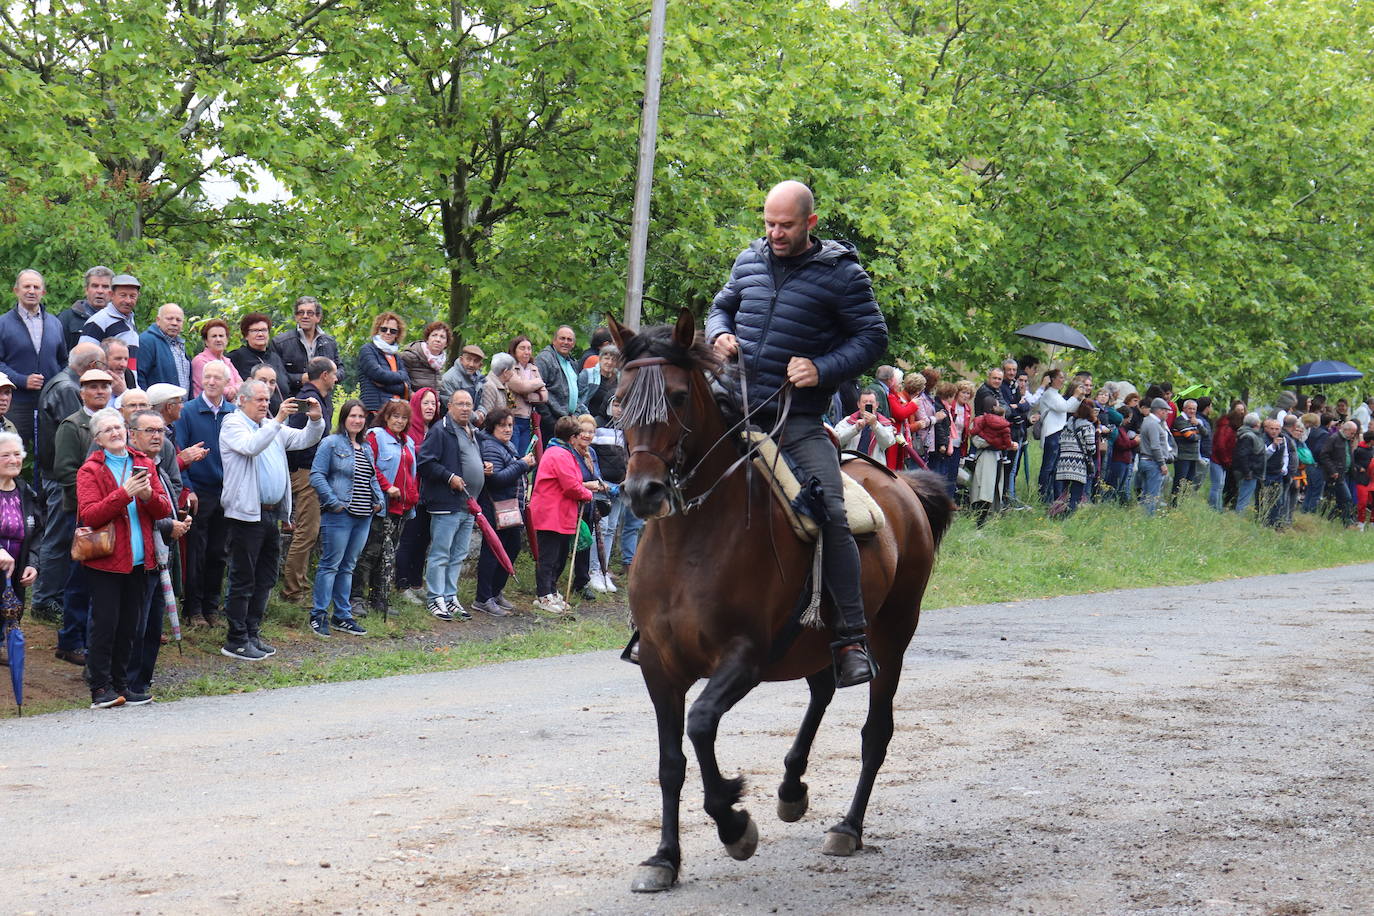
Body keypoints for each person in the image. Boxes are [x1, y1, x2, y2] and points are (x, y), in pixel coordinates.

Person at [706, 180, 887, 687]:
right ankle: (655, 617)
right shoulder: (748, 260)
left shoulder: (843, 275)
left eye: (785, 225)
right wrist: (719, 333)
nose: (774, 233)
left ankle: (850, 637)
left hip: (797, 421)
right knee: (674, 479)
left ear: (810, 223)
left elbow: (873, 337)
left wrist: (823, 368)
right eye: (768, 223)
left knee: (830, 511)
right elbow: (720, 306)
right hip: (732, 409)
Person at [219, 379, 325, 659]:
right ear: (242, 400)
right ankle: (235, 638)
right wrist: (277, 419)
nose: (265, 405)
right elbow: (251, 447)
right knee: (243, 578)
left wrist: (315, 421)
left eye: (268, 400)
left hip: (271, 514)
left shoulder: (270, 426)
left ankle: (253, 633)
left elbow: (304, 439)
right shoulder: (232, 424)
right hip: (245, 515)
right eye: (260, 400)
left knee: (265, 577)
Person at [76, 407, 172, 708]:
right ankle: (100, 688)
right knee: (106, 625)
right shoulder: (89, 470)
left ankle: (122, 685)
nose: (115, 433)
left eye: (118, 427)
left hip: (141, 559)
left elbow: (163, 509)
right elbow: (90, 515)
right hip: (105, 560)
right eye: (108, 431)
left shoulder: (142, 462)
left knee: (131, 625)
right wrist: (125, 493)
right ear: (98, 439)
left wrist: (146, 496)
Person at [30, 342, 105, 622]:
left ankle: (53, 595)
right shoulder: (68, 389)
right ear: (93, 367)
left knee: (61, 537)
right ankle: (45, 599)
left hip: (59, 475)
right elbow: (78, 435)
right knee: (59, 538)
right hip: (63, 479)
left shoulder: (62, 381)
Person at [125, 408, 191, 703]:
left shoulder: (160, 466)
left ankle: (143, 680)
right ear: (132, 434)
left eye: (160, 431)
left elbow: (167, 500)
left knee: (153, 623)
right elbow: (137, 514)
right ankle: (126, 682)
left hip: (161, 553)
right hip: (137, 555)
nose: (156, 436)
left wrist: (178, 521)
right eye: (149, 431)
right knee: (135, 624)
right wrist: (169, 524)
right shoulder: (126, 466)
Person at [51, 367, 115, 666]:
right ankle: (71, 640)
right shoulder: (72, 425)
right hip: (79, 513)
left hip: (110, 512)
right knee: (78, 579)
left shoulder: (115, 423)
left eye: (105, 386)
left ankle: (94, 640)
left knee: (102, 581)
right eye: (93, 387)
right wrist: (93, 499)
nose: (100, 391)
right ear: (82, 392)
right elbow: (63, 470)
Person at [308, 399, 382, 637]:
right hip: (340, 515)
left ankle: (342, 615)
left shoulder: (367, 448)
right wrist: (333, 503)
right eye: (353, 416)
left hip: (363, 516)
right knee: (330, 565)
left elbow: (372, 478)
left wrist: (379, 501)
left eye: (361, 417)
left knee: (348, 567)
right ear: (344, 418)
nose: (357, 420)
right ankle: (318, 615)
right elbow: (317, 475)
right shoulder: (330, 443)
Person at [175, 360, 236, 628]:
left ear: (226, 383)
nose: (211, 382)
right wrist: (188, 487)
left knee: (219, 552)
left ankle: (212, 607)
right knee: (196, 553)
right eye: (207, 377)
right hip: (200, 491)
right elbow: (179, 453)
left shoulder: (233, 414)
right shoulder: (188, 411)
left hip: (227, 492)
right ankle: (193, 608)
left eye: (217, 378)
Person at [416, 389, 484, 621]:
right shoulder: (440, 430)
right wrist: (449, 477)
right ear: (450, 406)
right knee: (441, 553)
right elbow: (424, 463)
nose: (465, 408)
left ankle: (450, 595)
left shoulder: (472, 431)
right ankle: (435, 598)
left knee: (459, 554)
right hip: (447, 502)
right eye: (460, 404)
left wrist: (482, 467)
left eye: (468, 404)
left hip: (469, 504)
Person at [352, 399, 418, 616]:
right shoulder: (376, 436)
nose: (399, 421)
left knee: (388, 555)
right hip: (381, 505)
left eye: (403, 417)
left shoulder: (407, 442)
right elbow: (371, 466)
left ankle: (380, 599)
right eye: (395, 416)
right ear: (386, 417)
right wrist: (387, 487)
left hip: (403, 507)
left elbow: (412, 474)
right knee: (370, 552)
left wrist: (413, 496)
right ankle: (357, 598)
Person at [528, 415, 599, 616]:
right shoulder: (559, 454)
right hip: (551, 513)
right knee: (548, 556)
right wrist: (588, 494)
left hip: (561, 513)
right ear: (572, 437)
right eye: (579, 434)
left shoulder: (564, 452)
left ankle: (552, 590)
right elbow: (570, 486)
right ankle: (543, 594)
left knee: (558, 555)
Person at [281, 357, 338, 604]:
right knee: (306, 531)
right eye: (334, 374)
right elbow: (295, 438)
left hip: (314, 470)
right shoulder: (306, 400)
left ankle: (301, 584)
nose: (337, 379)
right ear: (324, 375)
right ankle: (293, 591)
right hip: (305, 471)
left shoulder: (321, 399)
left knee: (310, 531)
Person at [471, 408, 534, 616]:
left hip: (511, 508)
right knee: (492, 552)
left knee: (512, 548)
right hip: (495, 507)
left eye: (510, 425)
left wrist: (526, 465)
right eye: (502, 425)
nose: (507, 429)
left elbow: (514, 470)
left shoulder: (507, 444)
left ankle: (496, 591)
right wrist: (522, 465)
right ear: (492, 426)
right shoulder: (490, 446)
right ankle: (483, 598)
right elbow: (496, 480)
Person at [0, 269, 67, 450]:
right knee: (10, 452)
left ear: (43, 292)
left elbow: (64, 362)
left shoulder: (55, 323)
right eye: (26, 286)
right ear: (16, 290)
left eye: (36, 287)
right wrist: (22, 380)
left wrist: (57, 386)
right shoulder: (3, 324)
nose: (31, 291)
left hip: (50, 402)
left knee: (49, 453)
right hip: (16, 402)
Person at [395, 387, 441, 595]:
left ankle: (416, 582)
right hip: (411, 493)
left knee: (424, 538)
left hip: (430, 494)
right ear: (416, 405)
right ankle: (402, 583)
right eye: (426, 403)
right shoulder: (409, 430)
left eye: (433, 403)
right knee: (409, 538)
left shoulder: (436, 430)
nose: (430, 407)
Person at [0, 433, 42, 648]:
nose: (13, 460)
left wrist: (32, 564)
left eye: (17, 454)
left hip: (16, 569)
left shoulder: (25, 491)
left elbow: (37, 533)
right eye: (5, 455)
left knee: (9, 617)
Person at [273, 296, 343, 397]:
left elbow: (341, 369)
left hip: (323, 401)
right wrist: (300, 379)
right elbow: (276, 375)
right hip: (294, 401)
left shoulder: (329, 342)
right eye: (301, 312)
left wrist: (327, 378)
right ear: (296, 317)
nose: (305, 316)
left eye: (310, 313)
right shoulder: (280, 342)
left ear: (318, 317)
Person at [967, 392, 1016, 524]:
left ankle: (986, 517)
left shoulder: (997, 423)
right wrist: (997, 442)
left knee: (992, 488)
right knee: (983, 488)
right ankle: (979, 520)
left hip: (996, 457)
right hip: (985, 458)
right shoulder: (979, 421)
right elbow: (977, 441)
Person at [78, 273, 140, 379]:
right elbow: (84, 359)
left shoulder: (129, 321)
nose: (128, 301)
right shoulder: (99, 321)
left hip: (126, 387)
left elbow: (131, 363)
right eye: (123, 295)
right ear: (111, 295)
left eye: (132, 296)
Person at [228, 313, 290, 410]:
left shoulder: (275, 357)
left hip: (283, 417)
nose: (260, 334)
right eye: (255, 331)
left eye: (264, 330)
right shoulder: (236, 357)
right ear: (246, 335)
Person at [534, 327, 580, 444]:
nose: (565, 342)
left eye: (569, 340)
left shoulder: (572, 363)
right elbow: (535, 391)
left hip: (568, 423)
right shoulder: (544, 359)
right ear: (554, 340)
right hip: (550, 424)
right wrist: (550, 420)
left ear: (573, 344)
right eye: (562, 338)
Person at [358, 312, 411, 412]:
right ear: (377, 330)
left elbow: (407, 383)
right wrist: (399, 382)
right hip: (375, 410)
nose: (388, 333)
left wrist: (385, 384)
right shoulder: (367, 350)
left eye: (393, 331)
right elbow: (378, 375)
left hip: (396, 411)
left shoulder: (396, 356)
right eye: (384, 329)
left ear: (397, 334)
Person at [506, 335, 548, 454]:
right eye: (522, 348)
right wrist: (537, 383)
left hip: (527, 418)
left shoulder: (534, 369)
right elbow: (521, 387)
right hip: (513, 417)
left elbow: (545, 396)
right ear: (514, 350)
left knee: (524, 453)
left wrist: (529, 396)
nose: (526, 352)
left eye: (529, 348)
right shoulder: (510, 368)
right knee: (513, 453)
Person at [1054, 399, 1097, 516]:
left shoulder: (1067, 424)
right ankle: (1070, 517)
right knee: (1076, 494)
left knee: (1064, 493)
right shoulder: (1088, 426)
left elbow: (1060, 441)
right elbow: (1091, 448)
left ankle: (1058, 513)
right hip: (1078, 464)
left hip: (1063, 462)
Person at [137, 303, 192, 391]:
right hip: (157, 403)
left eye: (178, 320)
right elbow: (139, 375)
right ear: (158, 320)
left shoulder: (180, 345)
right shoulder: (147, 341)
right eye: (169, 319)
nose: (174, 323)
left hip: (182, 404)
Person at [58, 266, 112, 352]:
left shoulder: (120, 319)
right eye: (95, 286)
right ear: (86, 290)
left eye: (105, 287)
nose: (100, 291)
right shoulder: (67, 318)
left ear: (112, 292)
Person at [1137, 397, 1175, 516]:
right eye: (1166, 411)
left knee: (1146, 494)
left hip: (1145, 460)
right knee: (1152, 495)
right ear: (1160, 411)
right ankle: (1148, 519)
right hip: (1152, 462)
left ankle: (1142, 517)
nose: (1167, 414)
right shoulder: (1153, 424)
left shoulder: (1147, 421)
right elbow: (1155, 446)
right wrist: (1162, 464)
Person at [1317, 421, 1358, 527]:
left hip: (1345, 473)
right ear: (1346, 430)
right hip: (1336, 475)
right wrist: (1332, 470)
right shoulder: (1334, 438)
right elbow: (1324, 455)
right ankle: (1347, 523)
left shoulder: (1347, 440)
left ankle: (1328, 519)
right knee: (1347, 498)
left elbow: (1348, 455)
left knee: (1340, 501)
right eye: (1352, 433)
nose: (1353, 436)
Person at [834, 392, 897, 461]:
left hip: (874, 466)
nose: (868, 404)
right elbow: (836, 440)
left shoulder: (884, 423)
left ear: (877, 405)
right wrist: (855, 428)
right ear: (858, 404)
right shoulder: (848, 420)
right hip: (850, 464)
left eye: (871, 402)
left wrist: (875, 425)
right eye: (865, 402)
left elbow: (888, 443)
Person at [190, 319, 244, 399]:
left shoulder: (227, 362)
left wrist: (233, 389)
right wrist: (233, 391)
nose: (218, 339)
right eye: (214, 336)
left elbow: (241, 383)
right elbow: (214, 388)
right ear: (206, 341)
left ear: (226, 340)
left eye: (221, 336)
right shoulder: (200, 361)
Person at [439, 344, 488, 426]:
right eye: (468, 359)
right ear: (461, 359)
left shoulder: (479, 379)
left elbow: (483, 401)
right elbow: (453, 407)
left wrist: (481, 412)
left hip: (472, 426)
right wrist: (476, 417)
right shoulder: (449, 378)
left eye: (476, 361)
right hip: (452, 425)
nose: (471, 364)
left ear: (480, 365)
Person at [403, 320, 451, 395]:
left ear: (446, 344)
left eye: (442, 337)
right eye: (434, 335)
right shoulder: (410, 356)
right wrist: (413, 396)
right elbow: (401, 382)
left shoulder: (440, 363)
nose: (438, 340)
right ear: (427, 339)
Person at [1233, 412, 1264, 515]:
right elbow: (1243, 455)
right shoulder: (1249, 436)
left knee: (1243, 496)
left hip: (1247, 470)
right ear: (1256, 424)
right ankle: (1238, 521)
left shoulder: (1244, 433)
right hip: (1248, 472)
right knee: (1244, 498)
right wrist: (1247, 472)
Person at [1170, 399, 1202, 501]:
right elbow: (1190, 437)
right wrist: (1198, 434)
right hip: (1182, 456)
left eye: (1194, 409)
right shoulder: (1180, 421)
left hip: (1193, 456)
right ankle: (1173, 504)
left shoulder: (1194, 421)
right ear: (1184, 409)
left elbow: (1205, 433)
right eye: (1190, 408)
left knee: (1189, 482)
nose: (1192, 411)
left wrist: (1198, 425)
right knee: (1179, 482)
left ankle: (1182, 503)